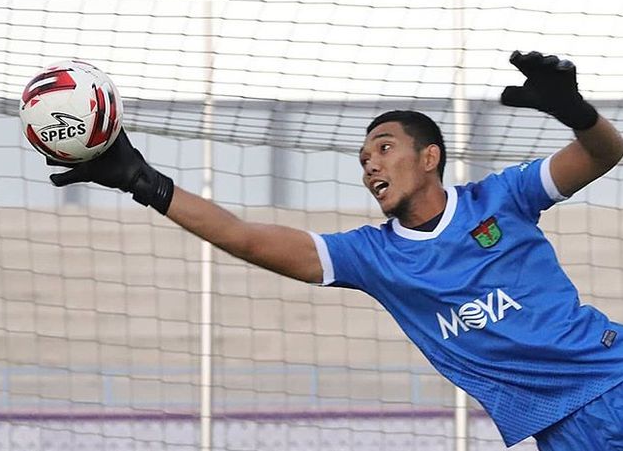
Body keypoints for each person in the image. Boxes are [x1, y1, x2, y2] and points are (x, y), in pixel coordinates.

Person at [45, 51, 623, 450]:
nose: (370, 161)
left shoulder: (502, 197)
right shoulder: (373, 257)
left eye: (384, 146)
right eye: (363, 157)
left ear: (430, 157)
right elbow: (244, 237)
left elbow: (602, 154)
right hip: (561, 429)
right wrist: (144, 183)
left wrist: (576, 113)